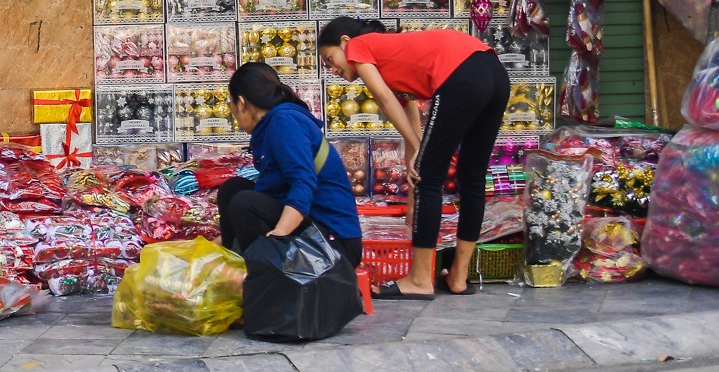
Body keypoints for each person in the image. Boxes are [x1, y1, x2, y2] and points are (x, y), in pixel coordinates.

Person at [317, 17, 509, 299]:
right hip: (493, 73)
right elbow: (409, 115)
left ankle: (419, 280)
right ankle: (458, 277)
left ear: (345, 42)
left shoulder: (359, 46)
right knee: (472, 177)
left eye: (330, 58)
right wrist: (414, 181)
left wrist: (421, 150)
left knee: (430, 177)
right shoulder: (389, 57)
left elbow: (383, 99)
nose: (332, 69)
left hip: (462, 74)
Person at [215, 62, 362, 268]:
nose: (236, 119)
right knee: (233, 190)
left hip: (333, 244)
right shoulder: (274, 124)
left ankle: (270, 279)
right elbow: (272, 195)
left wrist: (280, 233)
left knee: (244, 203)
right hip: (313, 229)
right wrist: (223, 242)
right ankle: (237, 267)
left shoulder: (284, 122)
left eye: (232, 108)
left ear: (241, 103)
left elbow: (303, 181)